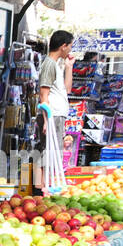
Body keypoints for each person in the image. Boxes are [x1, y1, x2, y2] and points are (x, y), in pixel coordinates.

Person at [38, 29, 75, 186]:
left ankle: (43, 188)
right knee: (49, 152)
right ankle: (42, 189)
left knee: (51, 152)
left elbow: (67, 89)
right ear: (63, 46)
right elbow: (43, 94)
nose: (70, 49)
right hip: (52, 116)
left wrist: (69, 67)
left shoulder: (56, 65)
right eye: (70, 46)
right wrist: (47, 120)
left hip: (57, 115)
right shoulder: (49, 65)